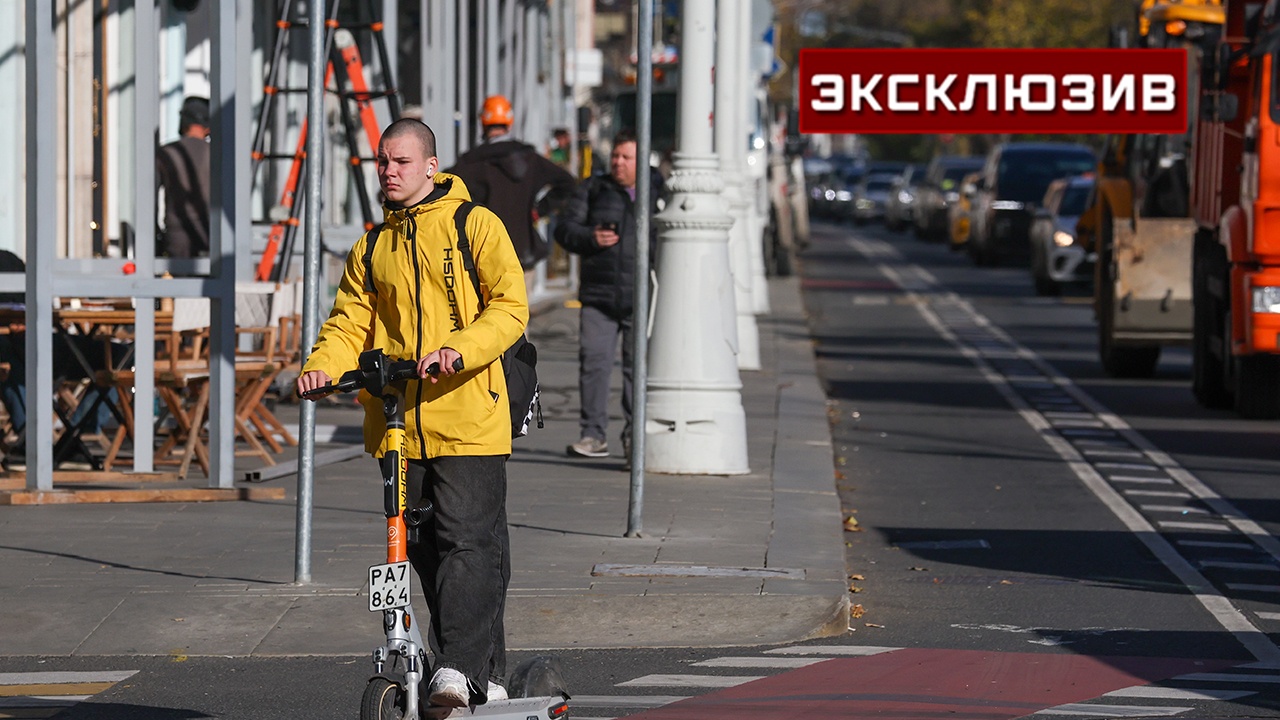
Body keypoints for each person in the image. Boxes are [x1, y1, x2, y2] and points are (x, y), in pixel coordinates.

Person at [296, 118, 528, 709]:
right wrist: (323, 364)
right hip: (400, 427)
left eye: (400, 162)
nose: (388, 172)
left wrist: (460, 348)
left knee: (469, 544)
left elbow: (510, 307)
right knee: (427, 556)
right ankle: (488, 676)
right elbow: (349, 320)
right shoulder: (373, 245)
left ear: (430, 165)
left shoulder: (473, 224)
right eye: (381, 162)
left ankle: (454, 671)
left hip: (471, 414)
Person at [553, 129, 663, 459]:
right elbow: (565, 229)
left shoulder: (659, 189)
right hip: (599, 295)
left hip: (642, 296)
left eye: (626, 157)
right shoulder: (594, 188)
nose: (617, 162)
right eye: (615, 155)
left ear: (641, 160)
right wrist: (590, 237)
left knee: (637, 368)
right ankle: (592, 435)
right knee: (594, 363)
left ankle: (635, 438)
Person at [446, 95, 575, 275]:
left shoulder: (470, 164)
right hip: (522, 252)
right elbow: (568, 183)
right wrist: (539, 210)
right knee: (520, 303)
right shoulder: (531, 160)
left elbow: (442, 187)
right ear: (509, 122)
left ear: (483, 122)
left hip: (483, 254)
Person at [156, 96, 211, 258]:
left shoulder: (166, 153)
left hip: (176, 235)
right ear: (207, 126)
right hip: (209, 232)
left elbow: (149, 198)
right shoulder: (216, 154)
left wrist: (155, 234)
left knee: (178, 281)